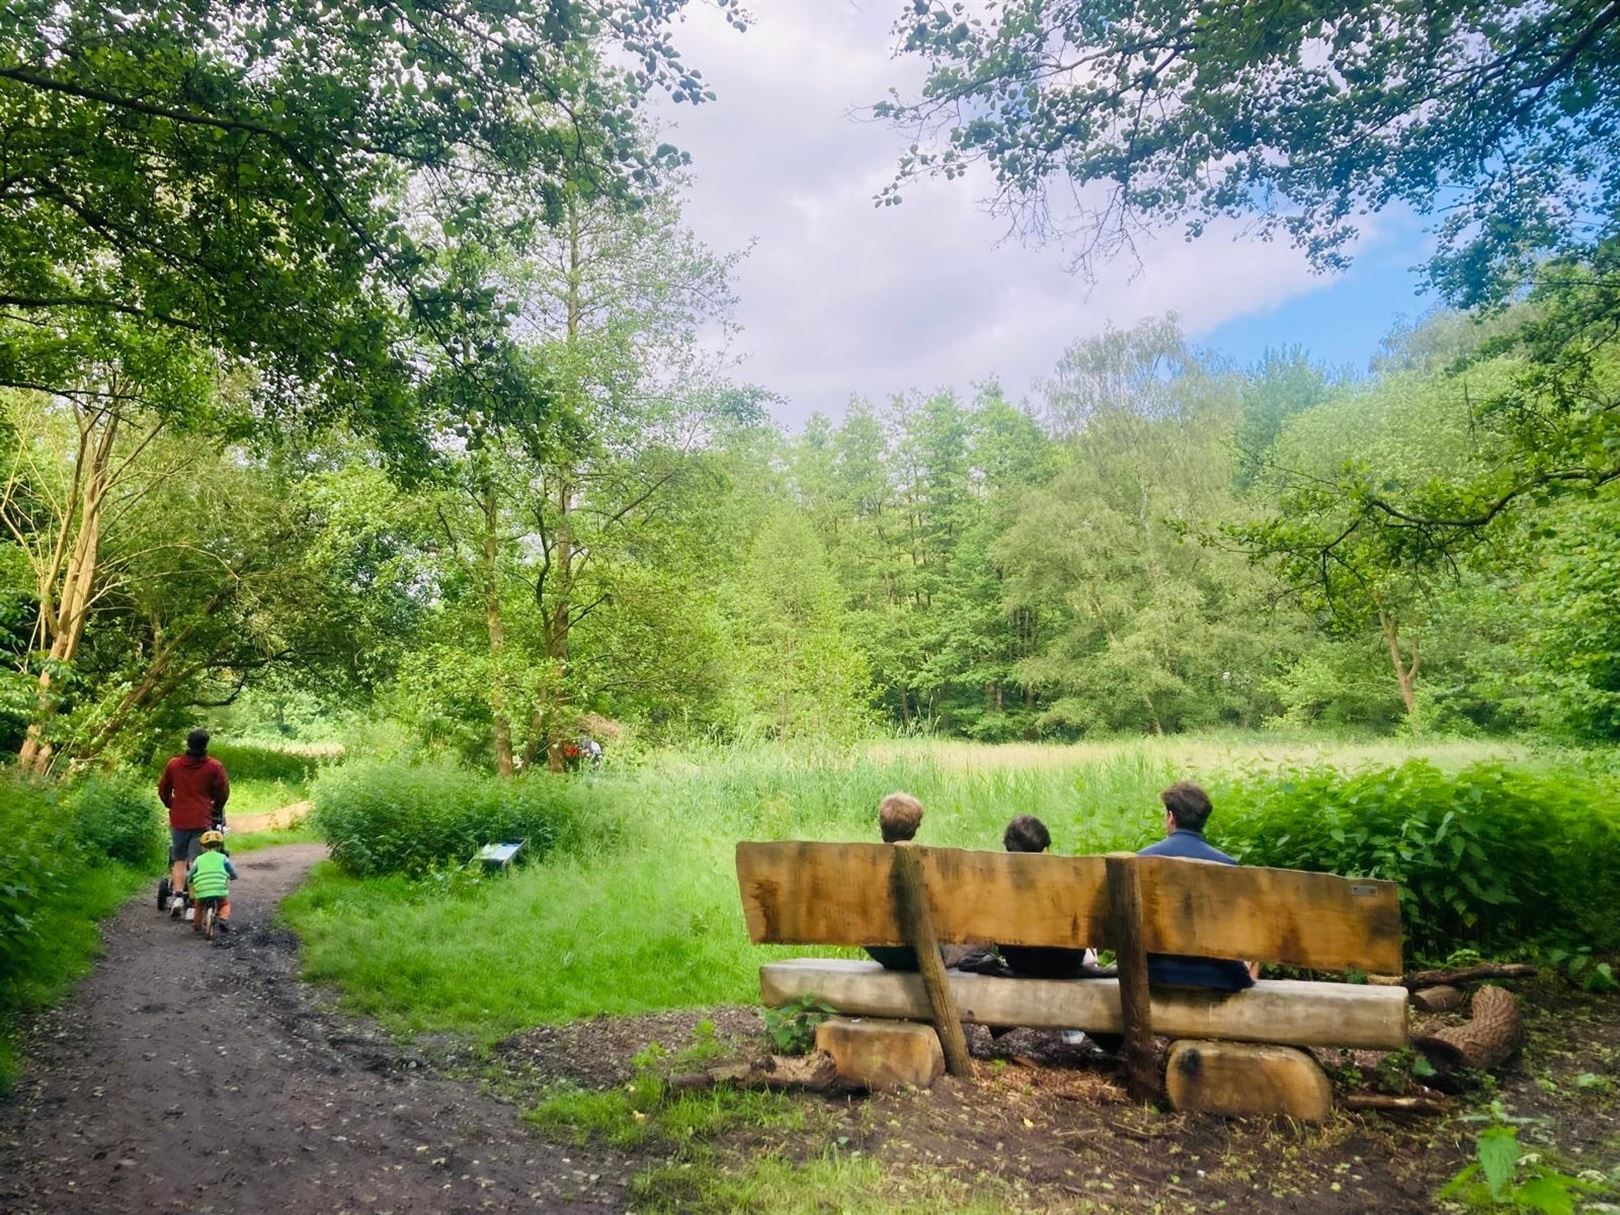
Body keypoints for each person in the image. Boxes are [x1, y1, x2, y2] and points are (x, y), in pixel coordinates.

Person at [1137, 781, 1256, 990]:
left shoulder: (1141, 861)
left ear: (1171, 817)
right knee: (1254, 959)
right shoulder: (1226, 865)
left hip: (1155, 973)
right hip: (1219, 977)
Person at [158, 729, 230, 917]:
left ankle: (178, 896)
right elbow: (222, 792)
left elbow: (163, 789)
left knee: (178, 859)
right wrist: (216, 808)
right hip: (201, 818)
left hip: (179, 818)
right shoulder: (214, 767)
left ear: (188, 743)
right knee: (196, 861)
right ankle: (192, 905)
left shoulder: (174, 765)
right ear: (205, 744)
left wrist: (171, 804)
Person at [187, 830, 238, 933]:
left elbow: (191, 872)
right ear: (219, 846)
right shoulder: (223, 858)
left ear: (203, 847)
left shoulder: (198, 859)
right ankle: (222, 918)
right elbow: (232, 871)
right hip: (219, 889)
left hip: (202, 889)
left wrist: (190, 880)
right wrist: (233, 876)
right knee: (224, 904)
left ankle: (197, 926)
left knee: (199, 906)